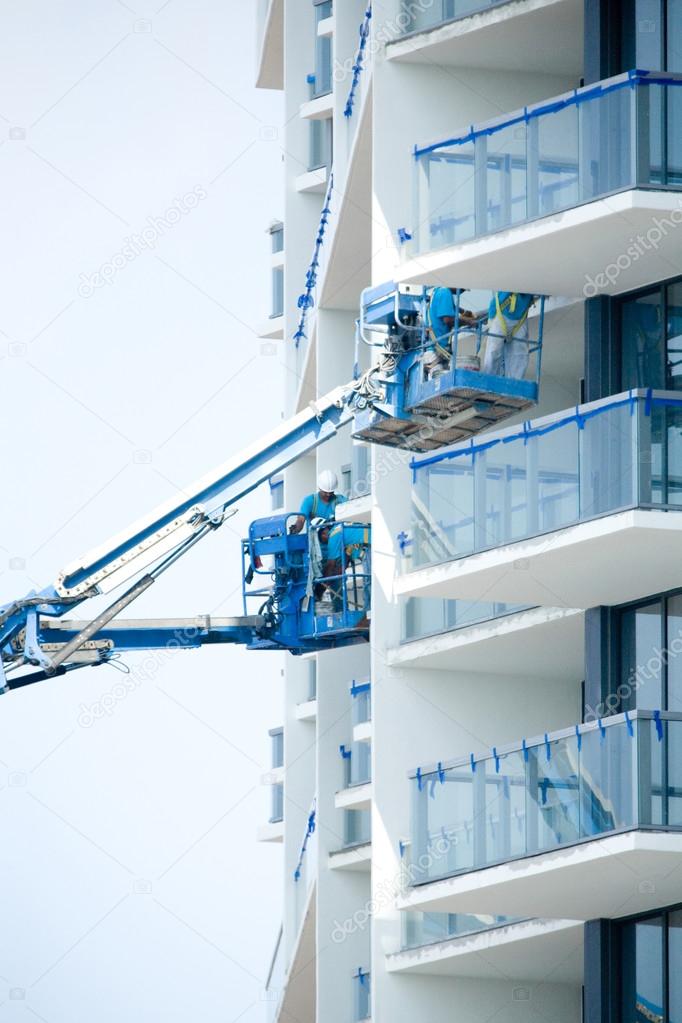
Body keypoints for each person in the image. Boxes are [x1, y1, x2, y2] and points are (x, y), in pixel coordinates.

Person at [290, 470, 347, 603]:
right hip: (316, 553)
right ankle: (312, 610)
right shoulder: (310, 501)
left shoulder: (341, 501)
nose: (328, 495)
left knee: (337, 584)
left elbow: (351, 513)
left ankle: (339, 613)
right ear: (319, 488)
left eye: (330, 492)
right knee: (312, 583)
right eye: (325, 492)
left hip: (336, 549)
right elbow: (301, 520)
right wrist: (295, 529)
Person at [423, 286, 478, 378]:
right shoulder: (445, 292)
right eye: (462, 289)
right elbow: (448, 320)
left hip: (437, 352)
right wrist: (469, 322)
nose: (461, 292)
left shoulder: (437, 291)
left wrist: (463, 312)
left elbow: (451, 308)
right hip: (436, 353)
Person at [483, 292, 536, 379]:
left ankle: (514, 383)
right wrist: (491, 318)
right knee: (494, 350)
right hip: (502, 315)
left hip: (520, 318)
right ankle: (489, 379)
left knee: (520, 353)